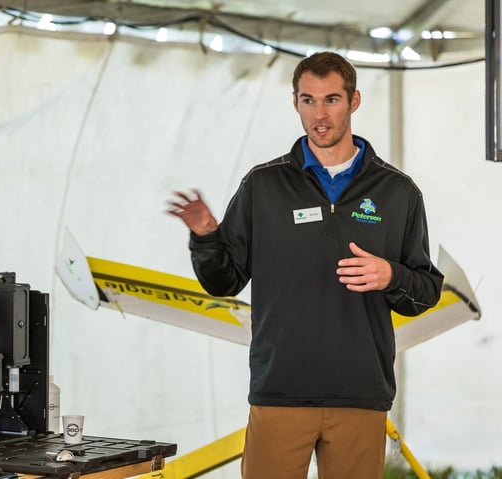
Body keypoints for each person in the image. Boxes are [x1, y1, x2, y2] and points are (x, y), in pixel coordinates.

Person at [167, 51, 443, 479]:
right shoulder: (263, 184)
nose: (320, 114)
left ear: (354, 101)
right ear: (294, 102)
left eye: (331, 99)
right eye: (308, 100)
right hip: (280, 392)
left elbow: (424, 292)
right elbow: (224, 281)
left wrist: (391, 275)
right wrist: (205, 236)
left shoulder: (397, 192)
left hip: (360, 393)